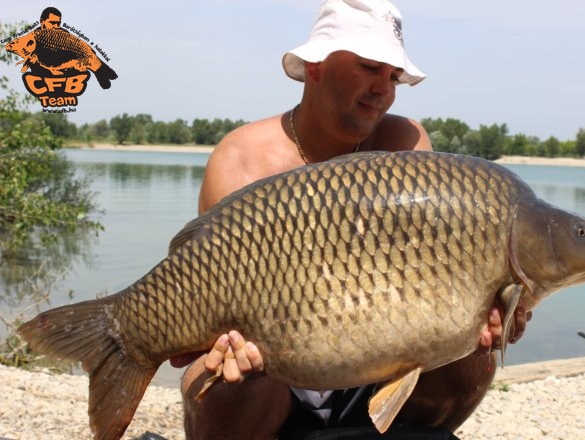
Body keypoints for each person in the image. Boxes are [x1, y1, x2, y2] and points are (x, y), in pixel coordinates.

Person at [174, 1, 530, 438]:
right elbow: (207, 293)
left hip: (376, 355)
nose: (384, 88)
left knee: (474, 347)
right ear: (315, 66)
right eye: (367, 67)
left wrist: (488, 307)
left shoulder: (407, 143)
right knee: (228, 375)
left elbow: (432, 280)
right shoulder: (242, 159)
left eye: (393, 76)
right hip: (274, 360)